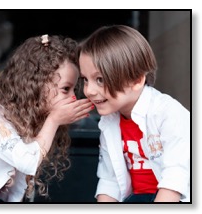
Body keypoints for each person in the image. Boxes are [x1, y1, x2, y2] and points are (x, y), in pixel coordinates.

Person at [0, 34, 94, 203]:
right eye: (66, 89)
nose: (73, 98)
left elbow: (18, 187)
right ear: (37, 84)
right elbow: (27, 161)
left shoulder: (26, 119)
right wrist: (54, 120)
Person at [78, 25, 190, 203]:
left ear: (137, 80)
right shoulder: (109, 121)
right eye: (85, 79)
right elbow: (110, 181)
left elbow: (176, 179)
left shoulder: (168, 113)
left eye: (100, 79)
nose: (89, 91)